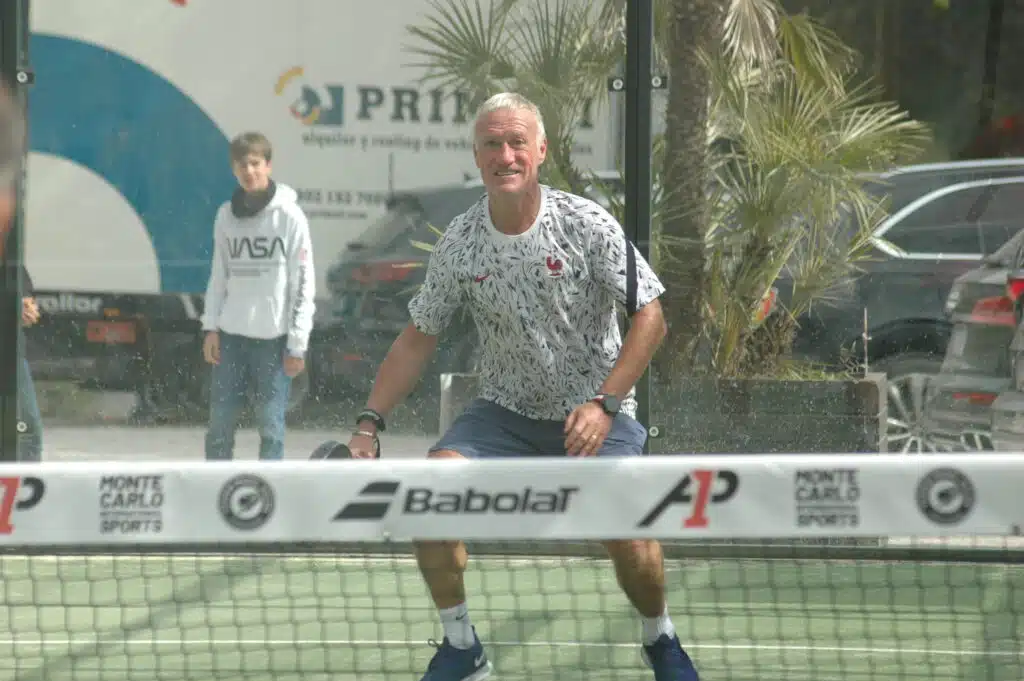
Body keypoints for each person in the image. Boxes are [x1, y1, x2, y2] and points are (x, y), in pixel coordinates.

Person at [346, 92, 699, 681]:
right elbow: (417, 337)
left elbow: (651, 314)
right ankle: (462, 646)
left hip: (595, 413)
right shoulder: (459, 243)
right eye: (491, 144)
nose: (505, 155)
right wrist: (368, 424)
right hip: (502, 415)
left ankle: (660, 638)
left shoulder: (586, 224)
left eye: (516, 143)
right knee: (429, 498)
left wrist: (606, 404)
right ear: (477, 155)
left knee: (625, 530)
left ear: (540, 151)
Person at [199, 132, 315, 461]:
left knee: (271, 428)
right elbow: (218, 275)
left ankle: (268, 495)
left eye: (255, 163)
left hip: (274, 341)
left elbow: (304, 284)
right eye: (241, 165)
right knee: (220, 426)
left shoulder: (290, 217)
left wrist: (297, 342)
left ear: (268, 165)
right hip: (231, 337)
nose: (249, 171)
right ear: (234, 169)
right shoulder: (226, 215)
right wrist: (211, 327)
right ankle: (215, 490)